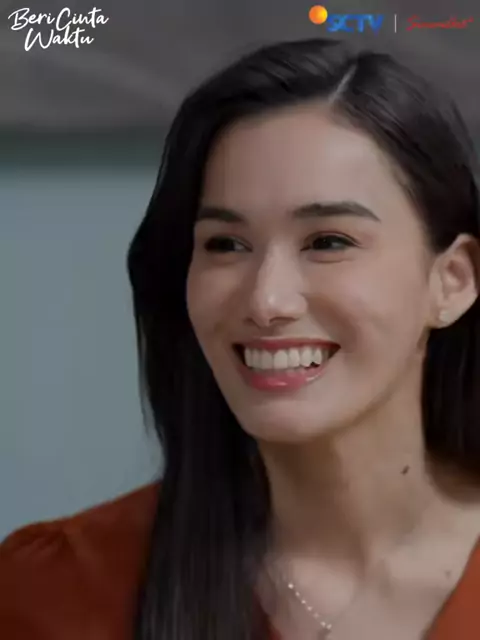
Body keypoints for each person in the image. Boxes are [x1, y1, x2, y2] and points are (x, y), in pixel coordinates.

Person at [1, 36, 480, 640]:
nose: (266, 301)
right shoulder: (55, 591)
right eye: (226, 245)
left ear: (452, 281)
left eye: (328, 241)